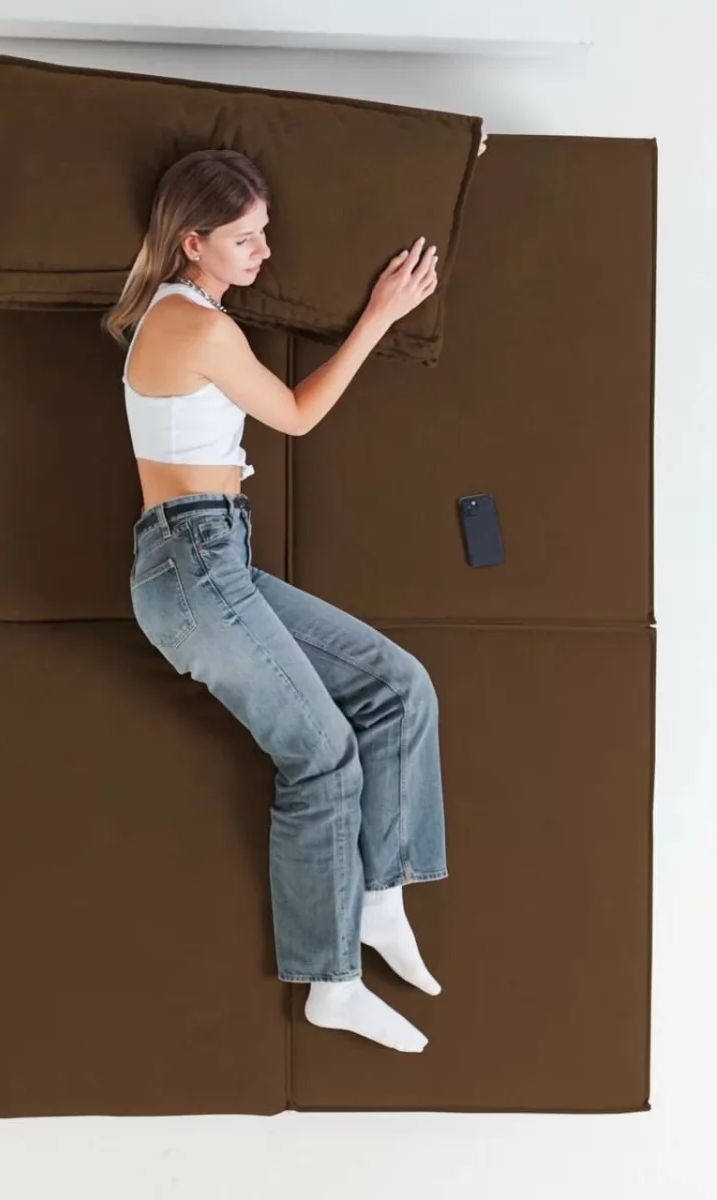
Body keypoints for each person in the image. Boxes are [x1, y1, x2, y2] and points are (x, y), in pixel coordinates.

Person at [104, 147, 450, 1054]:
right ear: (192, 242)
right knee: (322, 753)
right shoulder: (194, 326)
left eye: (265, 232)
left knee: (397, 686)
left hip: (217, 558)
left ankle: (379, 898)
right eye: (245, 238)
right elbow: (296, 415)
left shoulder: (188, 315)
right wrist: (379, 315)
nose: (265, 251)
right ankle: (331, 983)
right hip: (191, 566)